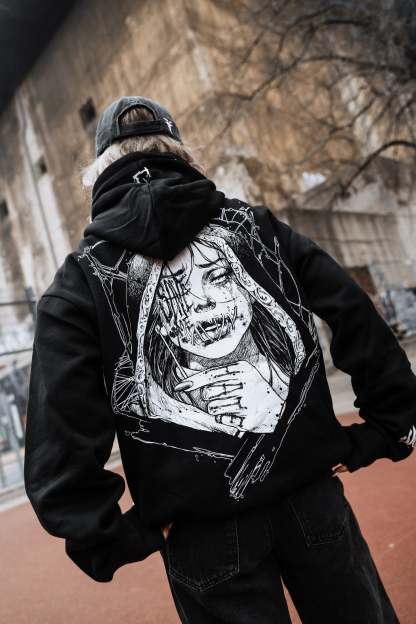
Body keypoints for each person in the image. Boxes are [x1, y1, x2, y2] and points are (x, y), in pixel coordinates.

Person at [24, 96, 416, 623]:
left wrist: (112, 537)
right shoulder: (257, 227)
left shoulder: (79, 280)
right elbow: (351, 309)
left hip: (200, 531)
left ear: (100, 174)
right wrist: (387, 428)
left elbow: (59, 424)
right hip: (309, 494)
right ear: (180, 154)